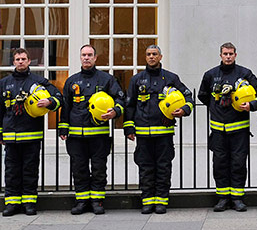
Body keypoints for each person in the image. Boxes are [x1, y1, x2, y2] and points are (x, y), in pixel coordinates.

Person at [124, 45, 194, 214]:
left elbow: (189, 97)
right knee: (145, 167)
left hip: (164, 133)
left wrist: (184, 109)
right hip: (142, 134)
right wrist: (129, 127)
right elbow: (130, 105)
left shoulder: (171, 78)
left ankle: (162, 201)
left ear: (161, 57)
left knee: (163, 168)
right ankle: (147, 201)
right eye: (148, 54)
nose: (151, 57)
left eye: (155, 54)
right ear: (145, 57)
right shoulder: (137, 79)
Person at [59, 44, 125, 215]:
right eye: (83, 55)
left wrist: (115, 111)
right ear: (80, 58)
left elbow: (120, 99)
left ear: (95, 58)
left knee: (98, 168)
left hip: (99, 136)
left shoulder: (106, 79)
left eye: (89, 55)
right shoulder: (71, 81)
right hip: (76, 136)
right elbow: (65, 107)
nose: (86, 58)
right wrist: (63, 129)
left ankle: (97, 201)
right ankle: (82, 201)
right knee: (79, 169)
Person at [198, 42, 257, 213]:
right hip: (218, 130)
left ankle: (237, 198)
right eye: (225, 54)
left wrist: (252, 105)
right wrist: (216, 106)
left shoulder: (244, 73)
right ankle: (222, 198)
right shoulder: (210, 75)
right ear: (220, 55)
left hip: (239, 131)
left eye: (231, 54)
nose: (228, 56)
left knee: (238, 164)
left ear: (235, 55)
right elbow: (203, 95)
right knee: (219, 164)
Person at [0, 48, 62, 216]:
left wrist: (49, 101)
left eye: (24, 59)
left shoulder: (39, 82)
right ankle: (12, 203)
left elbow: (58, 97)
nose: (21, 61)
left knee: (30, 171)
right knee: (11, 172)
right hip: (10, 138)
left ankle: (29, 203)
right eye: (18, 59)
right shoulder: (4, 83)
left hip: (31, 136)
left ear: (29, 61)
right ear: (13, 62)